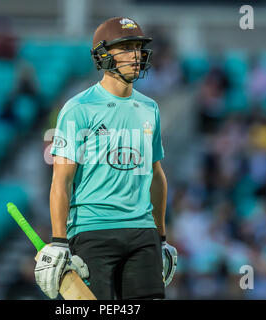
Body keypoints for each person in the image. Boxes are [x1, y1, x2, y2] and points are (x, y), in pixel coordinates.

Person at [34, 17, 177, 300]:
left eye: (138, 47)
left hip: (143, 234)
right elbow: (61, 181)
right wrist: (59, 242)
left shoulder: (150, 108)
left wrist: (160, 238)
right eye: (125, 48)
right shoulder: (78, 109)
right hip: (91, 232)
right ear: (103, 55)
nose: (135, 55)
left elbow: (156, 176)